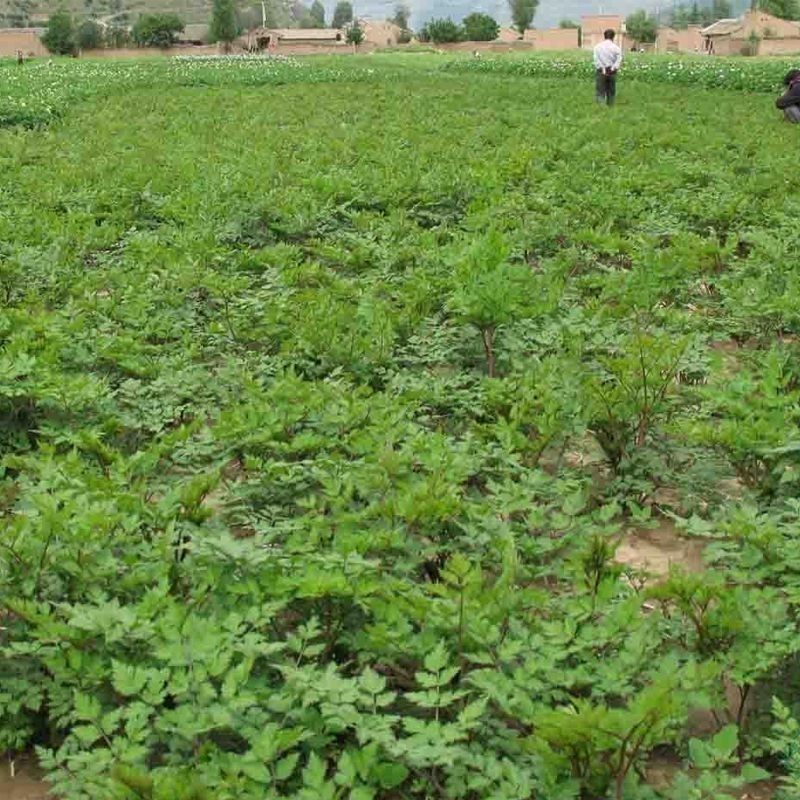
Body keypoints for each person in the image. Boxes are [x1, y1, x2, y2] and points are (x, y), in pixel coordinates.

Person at [593, 28, 622, 106]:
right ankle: (611, 106)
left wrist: (602, 68)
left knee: (600, 91)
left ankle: (601, 107)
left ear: (604, 36)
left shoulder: (597, 47)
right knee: (611, 91)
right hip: (612, 72)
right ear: (613, 37)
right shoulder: (616, 48)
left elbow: (596, 60)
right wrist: (613, 68)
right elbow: (618, 60)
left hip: (600, 71)